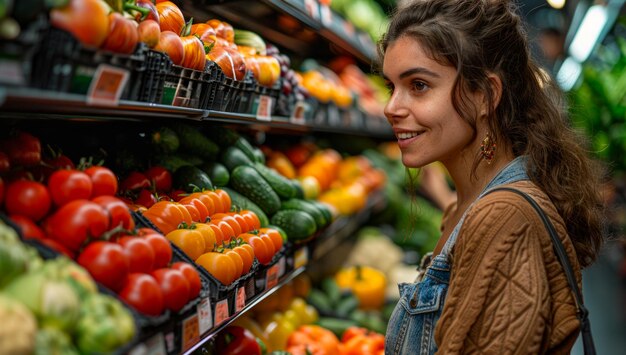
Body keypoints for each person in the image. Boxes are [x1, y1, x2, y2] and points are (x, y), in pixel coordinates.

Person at [379, 0, 605, 354]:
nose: (391, 107)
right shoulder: (468, 204)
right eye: (391, 86)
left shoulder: (505, 220)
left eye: (419, 85)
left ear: (485, 95)